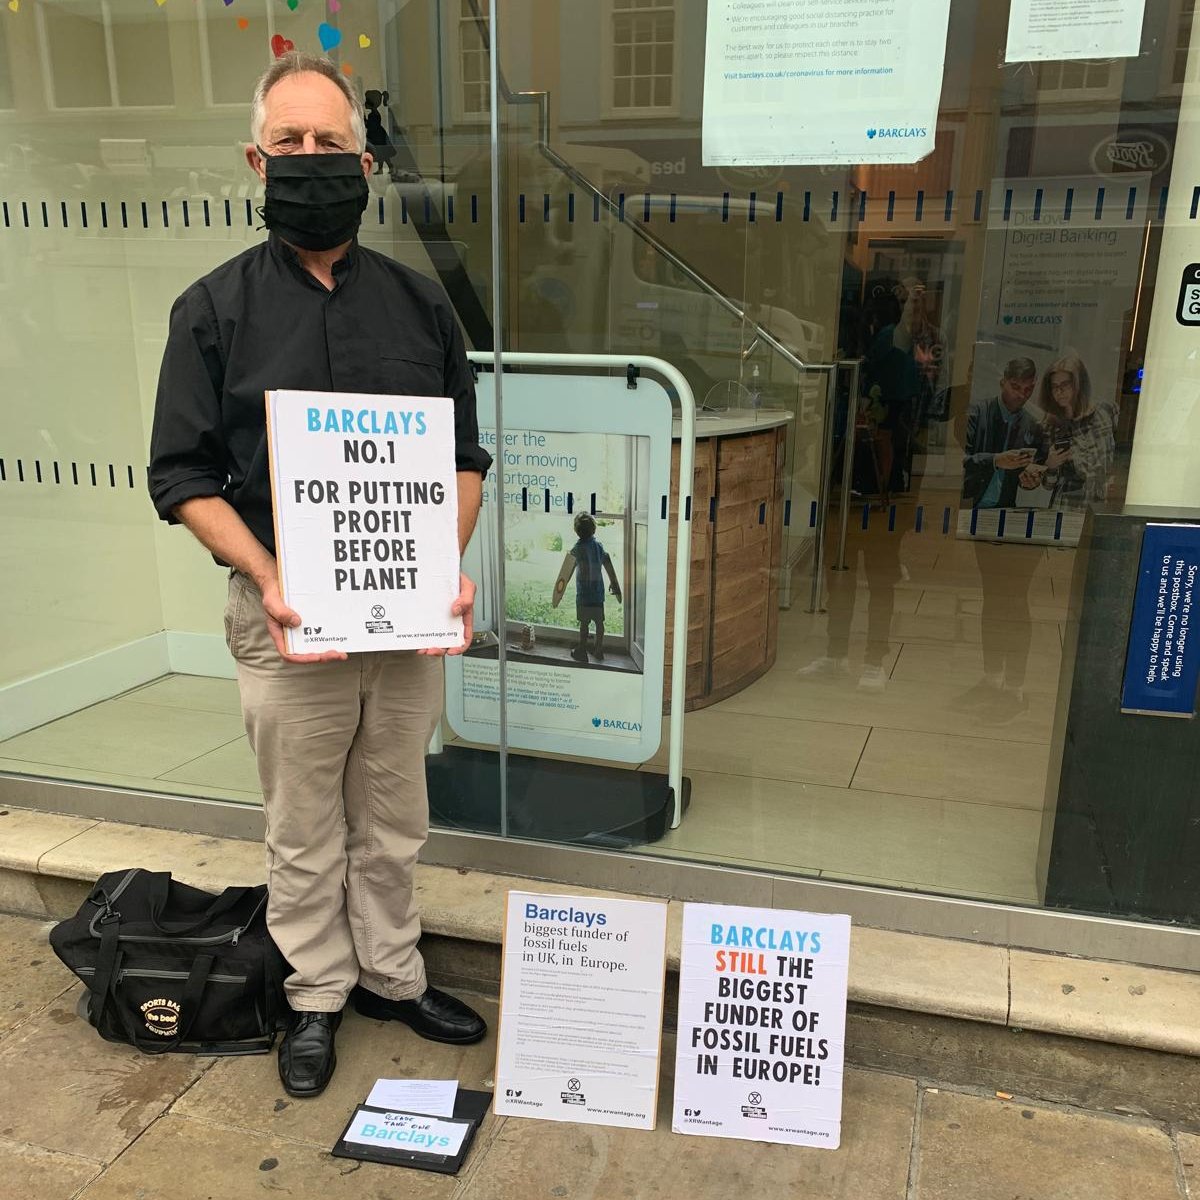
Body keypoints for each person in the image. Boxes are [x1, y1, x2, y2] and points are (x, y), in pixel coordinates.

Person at [146, 53, 493, 1099]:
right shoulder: (209, 312)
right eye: (290, 144)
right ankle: (315, 995)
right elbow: (181, 477)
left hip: (401, 620)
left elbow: (463, 463)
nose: (310, 161)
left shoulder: (423, 310)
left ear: (366, 160)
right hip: (285, 619)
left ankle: (393, 973)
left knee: (393, 814)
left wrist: (444, 563)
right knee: (303, 826)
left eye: (330, 143)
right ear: (257, 160)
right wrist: (267, 570)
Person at [1028, 352, 1116, 511]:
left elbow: (1106, 465)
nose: (1059, 392)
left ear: (1078, 384)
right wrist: (1051, 466)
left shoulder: (1102, 414)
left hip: (1098, 505)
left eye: (1065, 385)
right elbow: (1048, 485)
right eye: (1054, 387)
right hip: (1065, 506)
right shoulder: (1050, 425)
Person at [962, 358, 1048, 509]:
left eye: (1028, 389)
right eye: (1015, 387)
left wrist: (1029, 481)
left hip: (1004, 511)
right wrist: (995, 460)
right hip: (965, 507)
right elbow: (959, 462)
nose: (1022, 395)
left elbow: (1029, 474)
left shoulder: (1033, 425)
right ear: (1002, 383)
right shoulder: (976, 413)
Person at [550, 513, 622, 662]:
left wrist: (560, 592)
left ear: (577, 531)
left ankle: (582, 650)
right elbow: (608, 563)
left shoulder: (577, 549)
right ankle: (599, 649)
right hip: (597, 594)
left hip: (584, 595)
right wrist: (614, 583)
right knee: (599, 623)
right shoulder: (598, 547)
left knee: (584, 624)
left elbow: (567, 572)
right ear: (594, 530)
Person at [363, 88, 396, 174]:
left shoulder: (373, 115)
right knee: (382, 154)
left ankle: (390, 167)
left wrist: (364, 120)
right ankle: (383, 168)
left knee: (381, 153)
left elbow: (370, 126)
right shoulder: (375, 113)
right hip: (378, 135)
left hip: (376, 136)